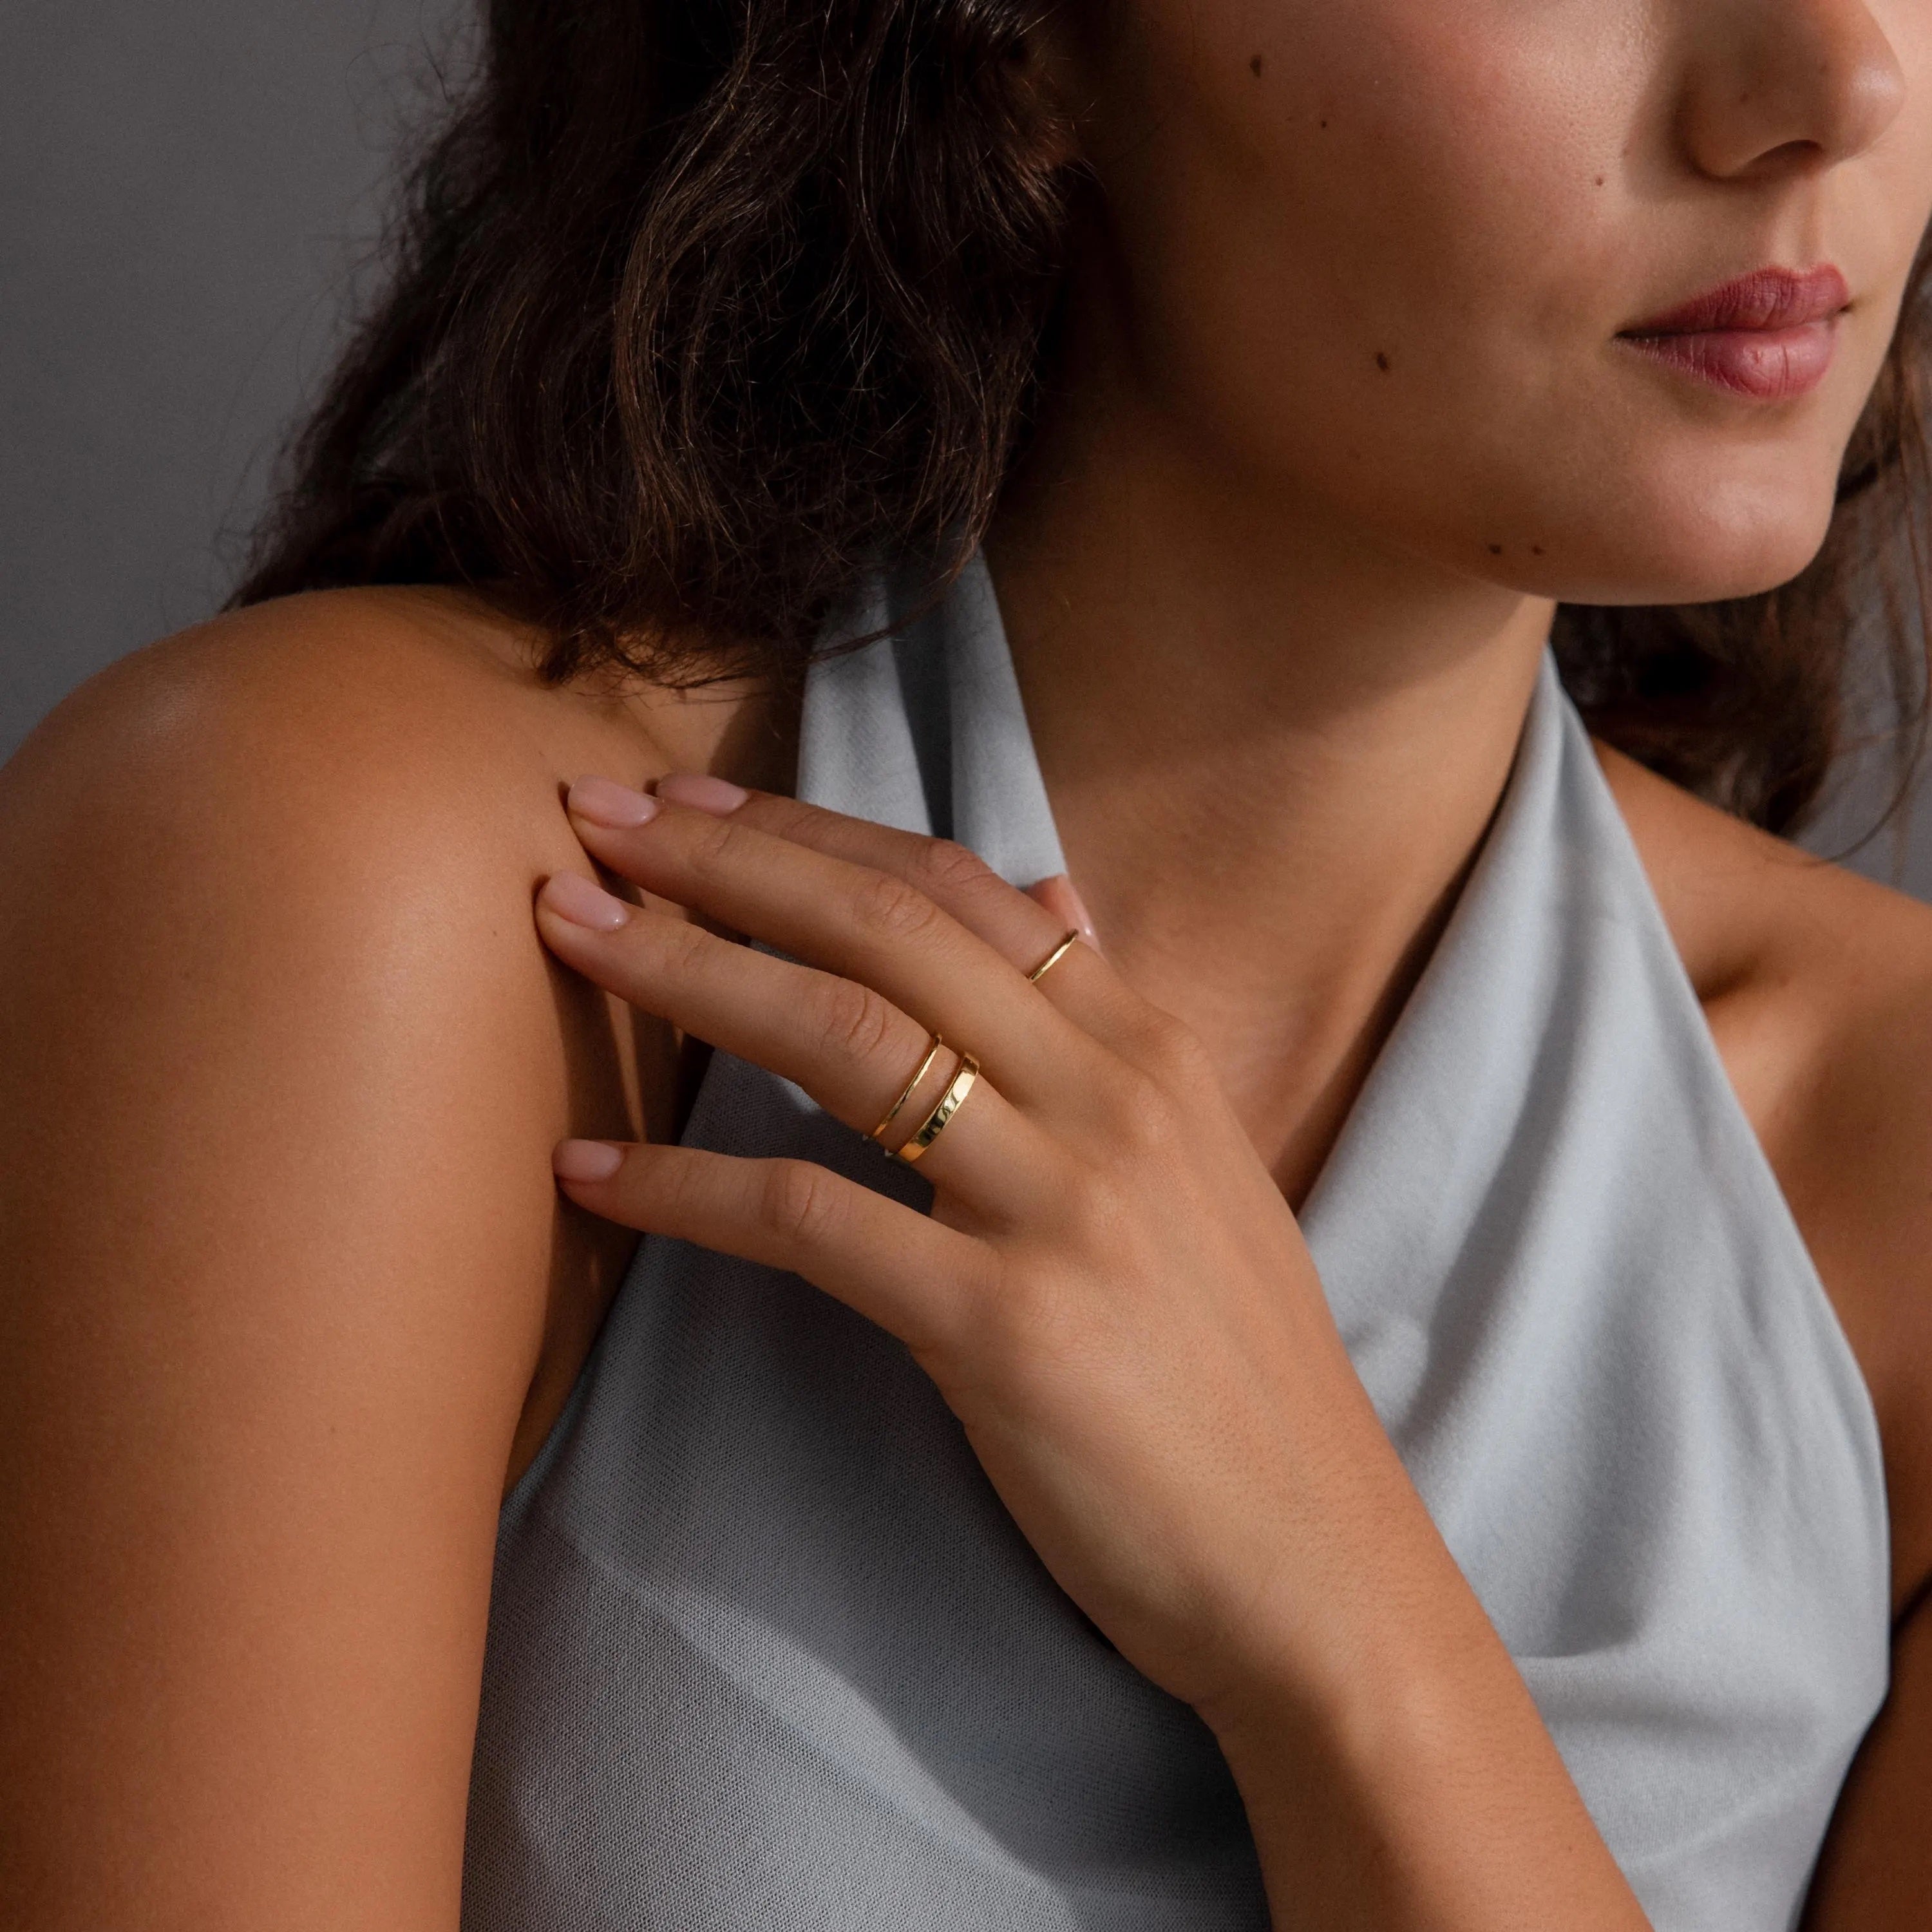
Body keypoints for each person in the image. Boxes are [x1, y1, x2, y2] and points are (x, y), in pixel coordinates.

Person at [3, 0, 1931, 1925]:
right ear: (1016, 36)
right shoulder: (378, 908)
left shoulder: (1897, 1158)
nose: (1833, 84)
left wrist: (1345, 1630)